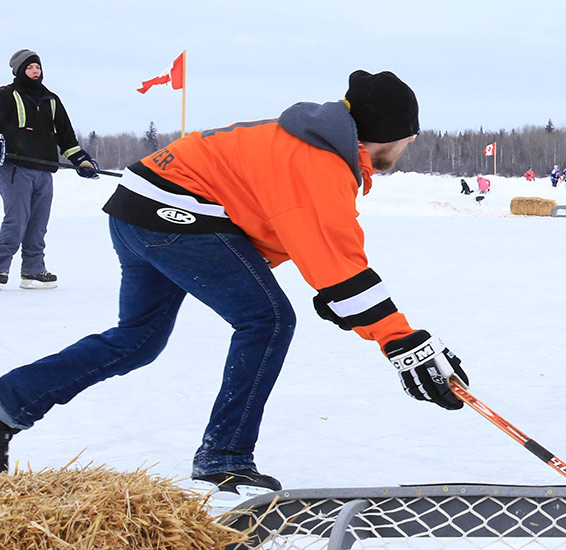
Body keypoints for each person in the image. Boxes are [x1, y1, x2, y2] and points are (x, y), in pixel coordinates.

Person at [0, 70, 471, 499]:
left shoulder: (308, 139)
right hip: (174, 216)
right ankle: (223, 458)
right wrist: (403, 342)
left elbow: (307, 247)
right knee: (266, 319)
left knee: (137, 339)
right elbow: (339, 266)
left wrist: (344, 299)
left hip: (138, 207)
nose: (407, 147)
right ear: (387, 135)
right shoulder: (318, 163)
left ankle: (8, 403)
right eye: (408, 139)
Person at [0, 49, 100, 290]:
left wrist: (81, 161)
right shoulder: (5, 95)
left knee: (38, 223)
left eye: (38, 67)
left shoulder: (51, 99)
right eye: (30, 67)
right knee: (17, 220)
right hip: (15, 168)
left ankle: (33, 271)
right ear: (19, 71)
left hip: (44, 170)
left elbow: (66, 137)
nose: (35, 71)